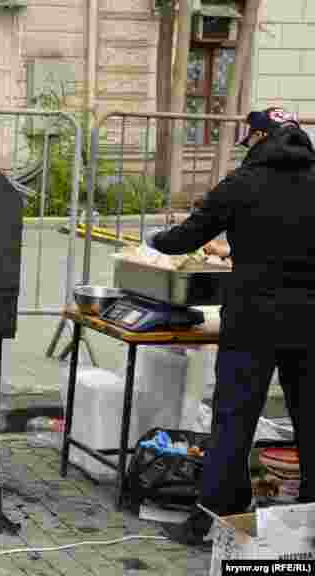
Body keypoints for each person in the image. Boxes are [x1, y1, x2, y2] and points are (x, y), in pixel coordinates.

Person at [144, 107, 315, 546]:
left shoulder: (243, 183)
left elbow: (183, 238)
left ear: (258, 138)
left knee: (234, 419)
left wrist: (153, 240)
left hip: (253, 319)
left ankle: (217, 518)